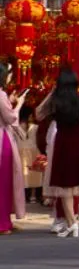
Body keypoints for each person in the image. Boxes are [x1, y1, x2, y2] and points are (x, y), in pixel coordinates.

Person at [36, 68, 79, 237]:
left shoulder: (56, 102)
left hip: (62, 143)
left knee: (65, 186)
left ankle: (72, 224)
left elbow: (38, 114)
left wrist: (51, 93)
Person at [0, 63, 25, 235]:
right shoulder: (1, 95)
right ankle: (2, 222)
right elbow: (10, 117)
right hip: (2, 140)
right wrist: (18, 104)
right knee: (4, 180)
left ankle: (5, 220)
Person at [14, 105, 41, 204]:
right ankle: (33, 196)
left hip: (19, 151)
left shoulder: (15, 127)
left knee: (20, 173)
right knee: (33, 172)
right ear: (30, 115)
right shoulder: (36, 127)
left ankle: (22, 195)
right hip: (33, 151)